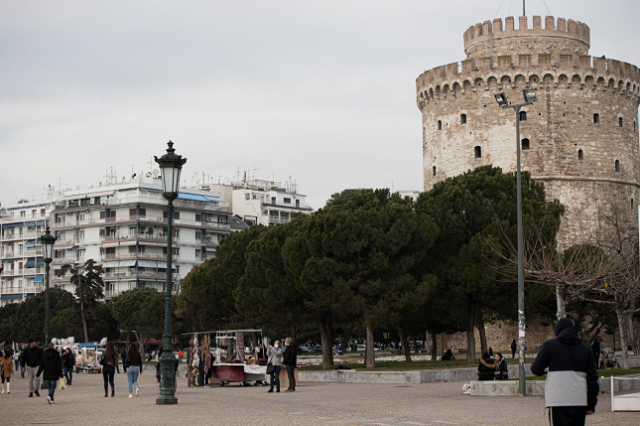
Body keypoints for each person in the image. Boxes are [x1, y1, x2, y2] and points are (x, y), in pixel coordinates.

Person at [532, 318, 599, 426]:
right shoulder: (585, 349)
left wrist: (550, 367)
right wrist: (591, 404)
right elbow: (592, 379)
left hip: (557, 400)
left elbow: (536, 369)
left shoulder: (550, 346)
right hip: (579, 400)